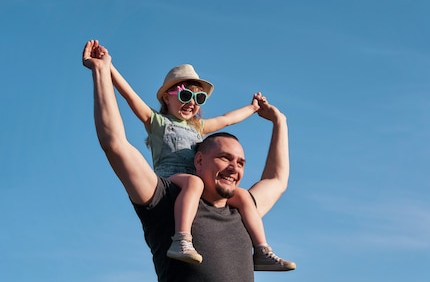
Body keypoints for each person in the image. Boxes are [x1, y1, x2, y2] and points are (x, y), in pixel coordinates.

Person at [83, 40, 295, 281]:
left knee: (240, 194)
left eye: (241, 162)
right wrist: (103, 70)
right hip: (174, 181)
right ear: (199, 159)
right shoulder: (164, 199)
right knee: (193, 185)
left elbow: (276, 178)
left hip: (197, 185)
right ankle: (182, 239)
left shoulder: (242, 211)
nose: (234, 167)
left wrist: (278, 121)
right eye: (225, 158)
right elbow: (115, 142)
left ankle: (262, 250)